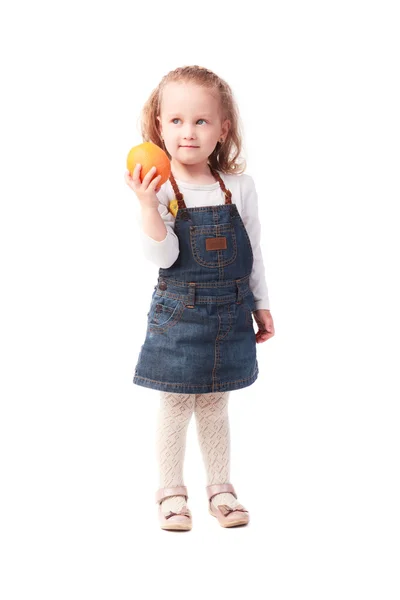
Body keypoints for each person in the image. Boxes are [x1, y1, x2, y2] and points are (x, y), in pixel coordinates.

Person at [125, 65, 275, 531]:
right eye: (176, 121)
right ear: (158, 127)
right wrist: (149, 207)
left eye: (201, 121)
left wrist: (261, 303)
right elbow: (164, 256)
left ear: (222, 129)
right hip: (180, 312)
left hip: (230, 311)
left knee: (215, 403)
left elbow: (252, 251)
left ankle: (221, 488)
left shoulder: (240, 187)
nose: (187, 132)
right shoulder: (163, 186)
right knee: (175, 402)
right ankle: (171, 493)